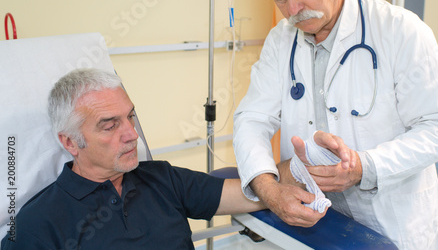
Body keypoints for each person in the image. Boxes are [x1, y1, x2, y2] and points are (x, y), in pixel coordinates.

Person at [232, 0, 438, 250]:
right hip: (316, 218)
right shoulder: (281, 41)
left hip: (392, 220)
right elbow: (252, 119)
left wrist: (364, 167)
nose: (293, 10)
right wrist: (268, 190)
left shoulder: (400, 31)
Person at [1, 68, 264, 250]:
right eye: (110, 125)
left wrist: (299, 171)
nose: (132, 134)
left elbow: (256, 193)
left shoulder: (162, 178)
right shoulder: (36, 225)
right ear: (70, 142)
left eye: (130, 117)